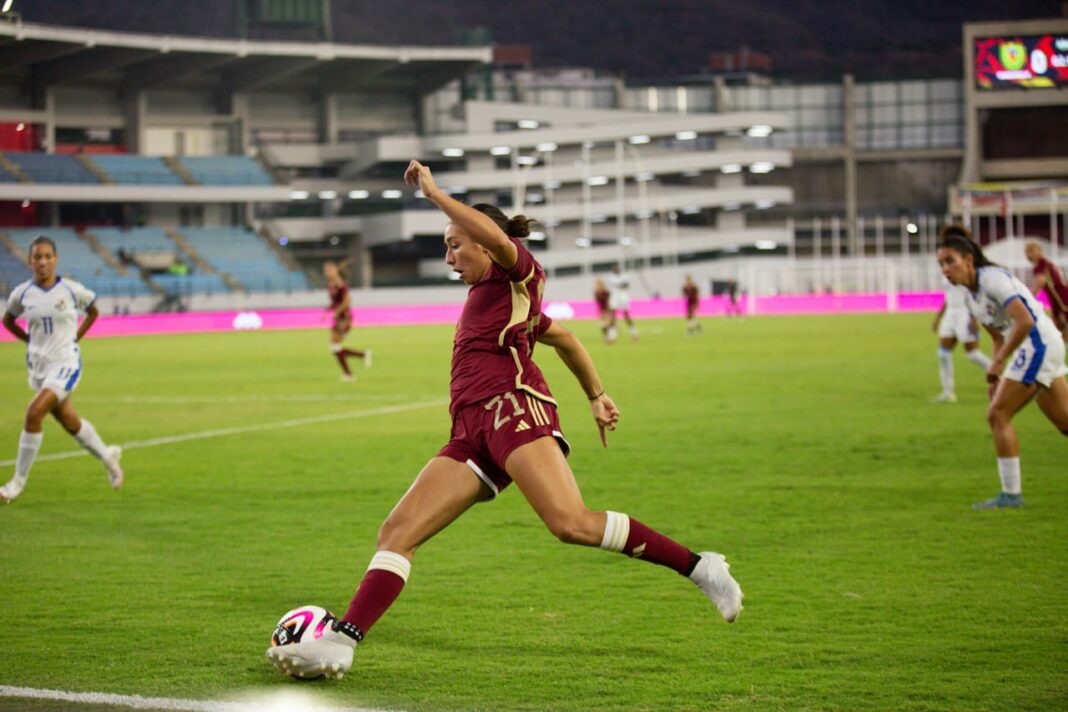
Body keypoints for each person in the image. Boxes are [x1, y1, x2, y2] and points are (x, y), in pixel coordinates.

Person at [266, 160, 743, 679]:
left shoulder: (520, 272)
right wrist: (597, 395)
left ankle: (701, 567)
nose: (449, 256)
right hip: (470, 432)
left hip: (513, 410)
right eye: (446, 246)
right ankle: (342, 641)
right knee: (396, 532)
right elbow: (566, 339)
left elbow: (493, 237)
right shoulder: (500, 301)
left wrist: (434, 194)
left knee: (570, 523)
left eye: (455, 244)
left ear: (485, 242)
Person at [936, 225, 1068, 509]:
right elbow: (997, 336)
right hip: (1039, 348)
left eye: (950, 261)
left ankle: (1011, 495)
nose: (945, 269)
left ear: (968, 260)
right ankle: (1011, 494)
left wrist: (998, 363)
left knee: (998, 414)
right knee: (1065, 423)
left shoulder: (992, 279)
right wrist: (996, 378)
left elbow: (1025, 321)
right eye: (941, 264)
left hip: (1038, 344)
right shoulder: (971, 296)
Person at [1, 235, 124, 503]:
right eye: (37, 257)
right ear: (30, 260)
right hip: (39, 367)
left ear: (55, 259)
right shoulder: (22, 294)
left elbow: (93, 311)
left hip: (66, 363)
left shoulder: (70, 289)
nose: (42, 262)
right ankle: (108, 458)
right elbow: (8, 320)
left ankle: (16, 484)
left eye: (47, 256)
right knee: (70, 422)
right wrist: (27, 340)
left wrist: (76, 337)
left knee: (33, 413)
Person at [929, 277, 992, 403]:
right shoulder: (946, 272)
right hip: (950, 314)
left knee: (973, 354)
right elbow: (949, 297)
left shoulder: (965, 270)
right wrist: (938, 317)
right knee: (943, 354)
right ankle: (948, 393)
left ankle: (999, 375)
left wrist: (974, 318)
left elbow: (974, 294)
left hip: (965, 313)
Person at [323, 261, 370, 382]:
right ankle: (361, 357)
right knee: (335, 347)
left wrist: (337, 312)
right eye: (326, 270)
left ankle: (350, 373)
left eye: (329, 270)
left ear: (335, 271)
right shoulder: (331, 284)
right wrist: (327, 310)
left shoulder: (340, 284)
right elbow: (335, 301)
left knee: (335, 347)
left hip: (344, 318)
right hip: (339, 318)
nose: (327, 273)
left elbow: (347, 301)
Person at [1024, 241, 1068, 342]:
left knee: (1062, 323)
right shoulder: (1047, 263)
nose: (1028, 255)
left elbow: (1040, 280)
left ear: (1039, 251)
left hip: (1061, 298)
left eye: (1031, 251)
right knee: (1059, 324)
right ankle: (1062, 346)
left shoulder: (1041, 265)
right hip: (1058, 297)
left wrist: (1029, 298)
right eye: (1027, 252)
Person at [605, 264, 638, 343]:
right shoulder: (611, 277)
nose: (616, 269)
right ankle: (611, 336)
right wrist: (622, 285)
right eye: (615, 268)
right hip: (614, 297)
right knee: (613, 316)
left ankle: (634, 333)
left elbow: (626, 285)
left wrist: (621, 285)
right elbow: (621, 284)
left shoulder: (625, 275)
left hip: (623, 297)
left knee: (627, 316)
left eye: (617, 268)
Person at [593, 277, 610, 341]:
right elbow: (597, 299)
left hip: (605, 309)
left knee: (605, 324)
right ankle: (607, 335)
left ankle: (608, 336)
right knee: (602, 325)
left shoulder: (605, 291)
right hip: (601, 309)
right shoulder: (597, 292)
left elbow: (607, 299)